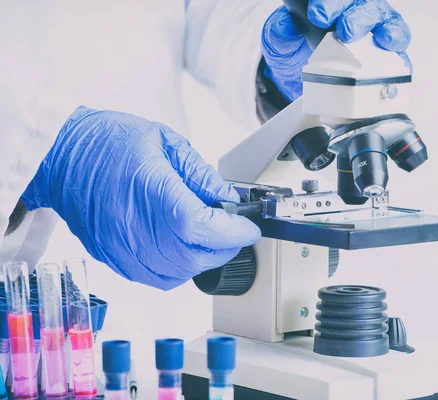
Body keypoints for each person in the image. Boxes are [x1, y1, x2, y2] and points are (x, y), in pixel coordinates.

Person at [0, 0, 411, 389]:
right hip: (27, 308)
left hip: (152, 321)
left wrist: (277, 64)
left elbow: (208, 12)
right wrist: (39, 149)